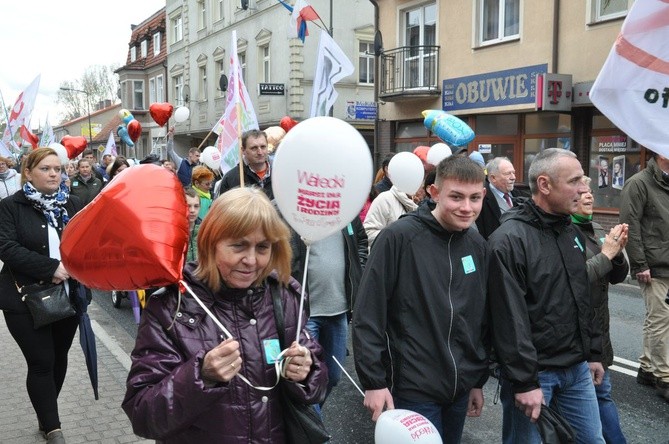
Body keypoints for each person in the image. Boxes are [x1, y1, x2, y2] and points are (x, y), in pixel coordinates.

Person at [122, 187, 328, 442]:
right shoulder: (171, 308)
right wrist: (201, 375)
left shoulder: (283, 296)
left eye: (262, 247)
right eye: (239, 246)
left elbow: (317, 385)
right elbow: (143, 414)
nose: (251, 260)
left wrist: (306, 371)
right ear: (211, 244)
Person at [353, 156, 490, 443]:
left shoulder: (477, 244)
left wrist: (477, 381)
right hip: (413, 388)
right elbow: (369, 314)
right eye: (456, 197)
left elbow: (479, 317)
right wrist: (374, 382)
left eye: (475, 198)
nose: (467, 207)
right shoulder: (398, 238)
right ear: (435, 193)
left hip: (459, 388)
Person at [488, 148, 605, 443]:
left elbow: (582, 299)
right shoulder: (509, 240)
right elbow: (508, 320)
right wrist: (525, 382)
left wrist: (591, 353)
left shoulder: (570, 231)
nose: (583, 188)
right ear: (544, 184)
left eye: (583, 180)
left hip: (577, 370)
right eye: (575, 180)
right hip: (536, 376)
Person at [0, 147, 84, 444]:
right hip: (23, 299)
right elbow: (7, 248)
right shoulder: (10, 206)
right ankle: (53, 428)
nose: (53, 174)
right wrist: (52, 268)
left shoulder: (72, 203)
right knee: (42, 361)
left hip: (67, 297)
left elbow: (87, 242)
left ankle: (45, 411)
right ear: (28, 172)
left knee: (59, 358)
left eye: (57, 169)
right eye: (46, 169)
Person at [572, 176, 629, 443]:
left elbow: (615, 277)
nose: (588, 196)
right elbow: (574, 282)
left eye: (590, 191)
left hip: (598, 332)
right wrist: (606, 254)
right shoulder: (563, 232)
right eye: (581, 191)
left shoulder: (593, 227)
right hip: (578, 335)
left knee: (602, 394)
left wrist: (617, 252)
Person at [290, 216, 367, 412]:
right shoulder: (296, 214)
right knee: (308, 377)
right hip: (307, 314)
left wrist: (359, 273)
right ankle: (316, 430)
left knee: (333, 376)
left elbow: (361, 242)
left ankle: (312, 419)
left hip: (338, 311)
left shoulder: (348, 213)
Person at [619, 151, 669, 402]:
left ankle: (648, 368)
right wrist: (640, 264)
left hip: (666, 262)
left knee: (657, 318)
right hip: (654, 264)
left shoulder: (665, 182)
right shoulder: (639, 183)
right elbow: (630, 224)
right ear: (661, 153)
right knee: (662, 319)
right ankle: (665, 376)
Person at [218, 129, 274, 199]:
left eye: (263, 147)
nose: (260, 152)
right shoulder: (230, 179)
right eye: (254, 148)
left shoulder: (280, 172)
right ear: (243, 150)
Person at [475, 157, 518, 239]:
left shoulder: (518, 195)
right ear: (493, 178)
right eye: (508, 173)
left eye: (513, 173)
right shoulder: (481, 199)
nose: (513, 177)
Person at [184, 187, 201, 262]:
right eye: (188, 206)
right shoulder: (174, 231)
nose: (192, 210)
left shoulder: (204, 230)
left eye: (196, 206)